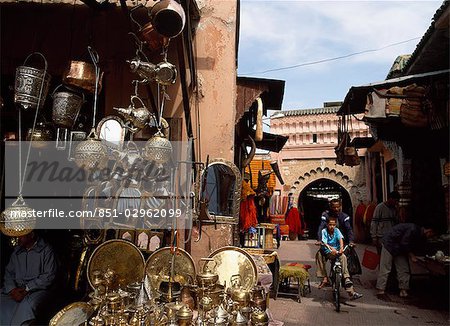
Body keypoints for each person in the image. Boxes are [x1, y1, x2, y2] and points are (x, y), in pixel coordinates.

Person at [1, 231, 57, 325]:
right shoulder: (16, 251)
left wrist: (27, 288)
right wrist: (12, 289)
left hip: (38, 290)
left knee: (27, 306)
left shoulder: (46, 250)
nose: (17, 238)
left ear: (31, 235)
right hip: (17, 290)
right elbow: (9, 273)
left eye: (21, 235)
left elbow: (48, 276)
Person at [376, 223, 435, 298]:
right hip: (389, 244)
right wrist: (412, 255)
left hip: (399, 248)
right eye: (431, 235)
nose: (430, 237)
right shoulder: (413, 229)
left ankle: (403, 291)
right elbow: (404, 242)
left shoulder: (419, 234)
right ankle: (380, 291)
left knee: (403, 269)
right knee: (385, 268)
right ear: (429, 231)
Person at [318, 216, 363, 300]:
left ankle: (346, 278)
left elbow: (341, 239)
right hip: (329, 251)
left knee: (343, 257)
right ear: (327, 225)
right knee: (320, 255)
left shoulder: (337, 231)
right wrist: (331, 249)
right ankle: (325, 277)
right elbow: (324, 242)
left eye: (334, 225)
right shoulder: (324, 231)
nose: (332, 226)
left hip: (338, 251)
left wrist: (341, 248)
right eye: (330, 224)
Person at [316, 198, 355, 288]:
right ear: (330, 207)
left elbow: (349, 229)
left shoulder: (344, 217)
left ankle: (347, 280)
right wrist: (319, 239)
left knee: (347, 258)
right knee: (319, 255)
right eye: (334, 207)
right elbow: (321, 227)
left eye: (338, 207)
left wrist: (351, 241)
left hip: (341, 243)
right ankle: (324, 277)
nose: (336, 209)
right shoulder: (326, 216)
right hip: (328, 244)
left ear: (340, 206)